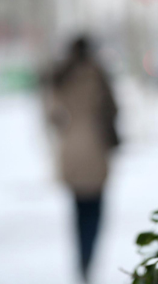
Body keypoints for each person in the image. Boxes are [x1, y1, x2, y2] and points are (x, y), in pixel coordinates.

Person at [45, 36, 119, 282]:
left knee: (77, 212)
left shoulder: (60, 76)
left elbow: (52, 116)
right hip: (96, 148)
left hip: (71, 150)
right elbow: (114, 110)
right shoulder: (98, 75)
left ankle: (82, 263)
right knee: (96, 212)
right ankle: (89, 259)